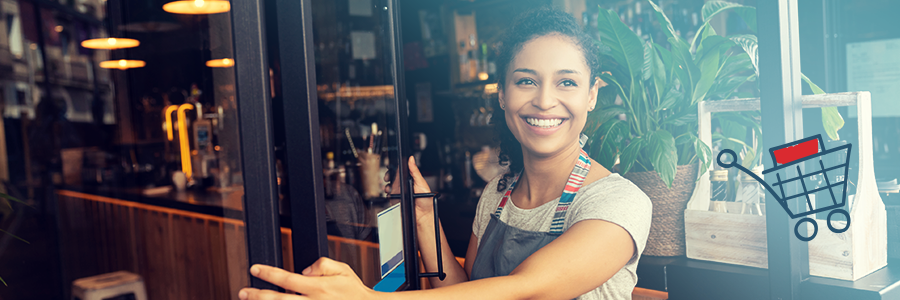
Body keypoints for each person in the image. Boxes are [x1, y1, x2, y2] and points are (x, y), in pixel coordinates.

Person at [239, 8, 652, 300]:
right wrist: (423, 218)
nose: (545, 101)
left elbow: (524, 290)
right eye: (526, 81)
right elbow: (465, 295)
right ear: (503, 94)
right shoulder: (498, 194)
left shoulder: (617, 202)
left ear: (592, 95)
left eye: (567, 83)